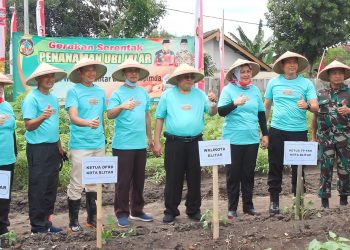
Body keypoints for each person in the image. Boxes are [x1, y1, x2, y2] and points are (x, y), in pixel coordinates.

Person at [154, 63, 217, 224]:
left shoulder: (200, 94)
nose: (189, 79)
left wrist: (213, 102)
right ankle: (171, 210)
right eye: (186, 76)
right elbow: (159, 118)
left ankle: (193, 209)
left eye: (191, 77)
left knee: (195, 177)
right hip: (174, 143)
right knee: (173, 177)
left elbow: (211, 113)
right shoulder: (167, 95)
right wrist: (156, 142)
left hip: (196, 141)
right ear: (178, 79)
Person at [264, 51, 319, 215]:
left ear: (298, 65)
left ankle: (298, 201)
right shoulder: (274, 83)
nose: (292, 65)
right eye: (288, 62)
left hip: (298, 132)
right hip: (277, 131)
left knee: (299, 168)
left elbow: (316, 107)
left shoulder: (306, 84)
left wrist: (307, 106)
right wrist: (263, 131)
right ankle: (274, 201)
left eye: (294, 62)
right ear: (282, 65)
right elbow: (266, 107)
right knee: (275, 166)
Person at [218, 59, 268, 219]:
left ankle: (248, 206)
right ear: (235, 74)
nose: (246, 74)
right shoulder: (228, 90)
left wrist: (265, 134)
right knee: (233, 175)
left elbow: (261, 113)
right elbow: (221, 111)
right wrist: (235, 103)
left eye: (248, 71)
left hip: (251, 139)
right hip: (232, 139)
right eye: (242, 72)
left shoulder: (254, 90)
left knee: (248, 175)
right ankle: (232, 208)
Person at [107, 59, 153, 227]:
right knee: (123, 181)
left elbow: (147, 116)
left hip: (140, 144)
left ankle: (137, 211)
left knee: (139, 180)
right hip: (123, 144)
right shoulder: (118, 93)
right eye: (130, 71)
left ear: (139, 74)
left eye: (136, 71)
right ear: (124, 74)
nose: (133, 73)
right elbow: (110, 114)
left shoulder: (143, 93)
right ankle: (122, 213)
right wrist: (122, 106)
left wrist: (149, 137)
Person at [22, 63, 67, 233]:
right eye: (46, 76)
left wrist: (59, 146)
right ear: (38, 79)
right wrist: (42, 116)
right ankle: (37, 225)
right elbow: (29, 125)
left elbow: (54, 126)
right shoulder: (31, 99)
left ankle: (47, 222)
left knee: (50, 186)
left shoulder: (53, 98)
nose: (50, 79)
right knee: (38, 186)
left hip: (52, 148)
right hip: (37, 149)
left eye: (52, 76)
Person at [65, 58, 107, 232]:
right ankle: (73, 222)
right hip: (80, 145)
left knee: (95, 182)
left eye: (93, 70)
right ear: (79, 73)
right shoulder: (73, 91)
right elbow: (73, 117)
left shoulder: (100, 92)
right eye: (87, 70)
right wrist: (88, 123)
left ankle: (92, 219)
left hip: (98, 143)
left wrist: (103, 137)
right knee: (76, 182)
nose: (91, 73)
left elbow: (102, 118)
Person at [312, 60, 350, 208]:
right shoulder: (320, 94)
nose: (337, 75)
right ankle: (324, 199)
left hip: (345, 138)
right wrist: (314, 136)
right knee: (325, 168)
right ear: (329, 75)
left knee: (345, 167)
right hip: (325, 138)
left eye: (340, 73)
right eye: (334, 73)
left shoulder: (348, 92)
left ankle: (344, 198)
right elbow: (315, 116)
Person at [0, 73, 16, 235]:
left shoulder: (7, 106)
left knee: (4, 194)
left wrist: (15, 153)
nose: (0, 89)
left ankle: (3, 227)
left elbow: (12, 132)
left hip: (6, 157)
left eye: (1, 85)